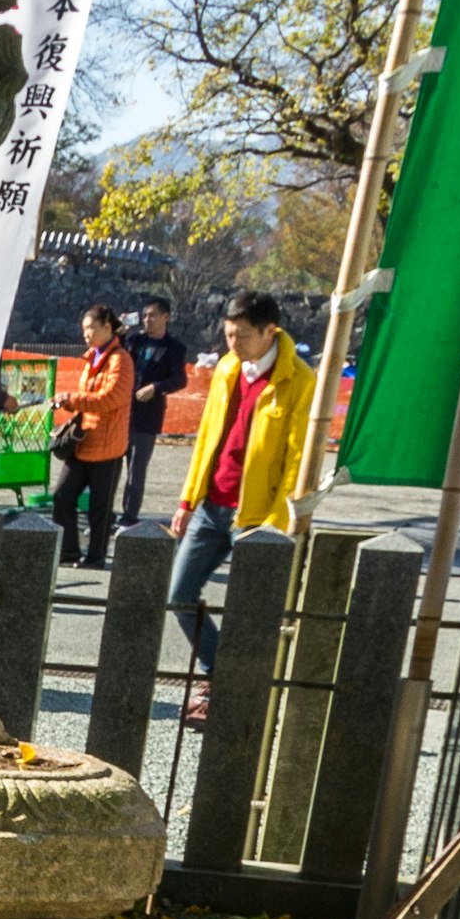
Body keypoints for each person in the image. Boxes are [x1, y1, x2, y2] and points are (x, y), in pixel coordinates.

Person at [164, 290, 315, 728]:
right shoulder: (228, 368)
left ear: (272, 330)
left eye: (243, 335)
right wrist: (187, 500)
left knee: (254, 612)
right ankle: (218, 672)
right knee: (178, 596)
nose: (233, 343)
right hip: (212, 506)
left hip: (258, 516)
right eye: (229, 333)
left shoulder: (299, 381)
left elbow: (296, 463)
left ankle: (239, 695)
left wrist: (277, 523)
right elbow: (207, 439)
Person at [49, 305, 133, 568]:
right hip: (84, 440)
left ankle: (96, 556)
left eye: (91, 328)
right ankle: (69, 551)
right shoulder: (93, 357)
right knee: (62, 496)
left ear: (108, 328)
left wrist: (72, 400)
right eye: (84, 328)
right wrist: (69, 402)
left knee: (99, 508)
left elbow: (111, 398)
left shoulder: (120, 359)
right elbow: (90, 398)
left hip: (108, 445)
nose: (86, 333)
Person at [123, 296, 190, 520]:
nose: (147, 320)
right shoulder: (134, 341)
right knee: (110, 469)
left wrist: (156, 388)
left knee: (136, 470)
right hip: (122, 413)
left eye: (152, 315)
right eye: (144, 316)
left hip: (147, 417)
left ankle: (129, 516)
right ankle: (103, 518)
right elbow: (116, 357)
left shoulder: (174, 348)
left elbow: (180, 379)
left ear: (165, 317)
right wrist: (120, 332)